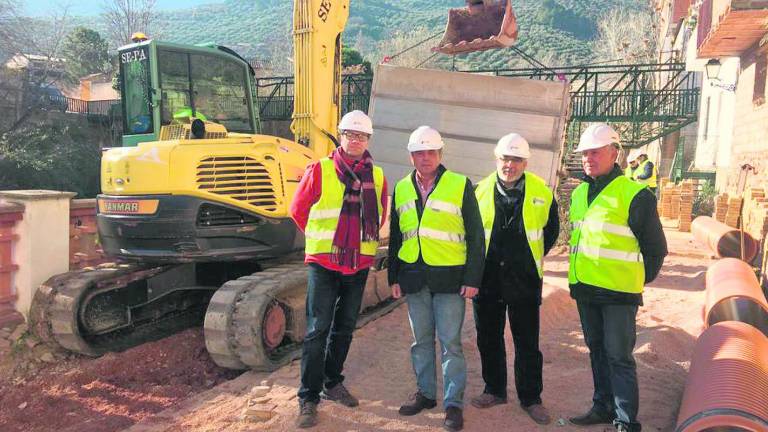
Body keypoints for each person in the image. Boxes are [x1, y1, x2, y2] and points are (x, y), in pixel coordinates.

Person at [289, 110, 388, 429]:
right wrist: (324, 240)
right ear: (340, 135)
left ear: (368, 140)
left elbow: (380, 216)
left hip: (358, 263)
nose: (355, 140)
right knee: (318, 328)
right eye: (350, 134)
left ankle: (332, 382)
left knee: (345, 326)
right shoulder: (320, 169)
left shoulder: (380, 176)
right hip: (324, 263)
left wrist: (356, 244)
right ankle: (308, 396)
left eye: (361, 136)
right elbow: (297, 210)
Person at [567, 123, 667, 432]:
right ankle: (602, 406)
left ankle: (626, 421)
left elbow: (656, 249)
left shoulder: (635, 195)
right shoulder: (580, 192)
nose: (589, 158)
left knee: (619, 357)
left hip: (618, 294)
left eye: (595, 152)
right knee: (596, 351)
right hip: (585, 288)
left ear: (615, 153)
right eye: (585, 153)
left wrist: (635, 277)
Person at [388, 126, 485, 432]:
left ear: (440, 154)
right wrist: (394, 276)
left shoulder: (459, 184)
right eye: (419, 153)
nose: (425, 158)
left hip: (450, 279)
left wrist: (472, 278)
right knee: (420, 342)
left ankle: (453, 404)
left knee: (451, 343)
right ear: (411, 156)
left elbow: (476, 236)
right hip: (414, 277)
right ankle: (426, 394)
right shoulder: (402, 187)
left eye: (431, 152)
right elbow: (396, 236)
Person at [470, 133, 559, 425]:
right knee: (488, 337)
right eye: (505, 158)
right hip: (488, 279)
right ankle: (494, 389)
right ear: (497, 159)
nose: (510, 164)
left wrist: (526, 257)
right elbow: (471, 236)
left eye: (516, 159)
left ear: (525, 162)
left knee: (527, 342)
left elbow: (551, 232)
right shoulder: (479, 191)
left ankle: (531, 398)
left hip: (524, 279)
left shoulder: (542, 192)